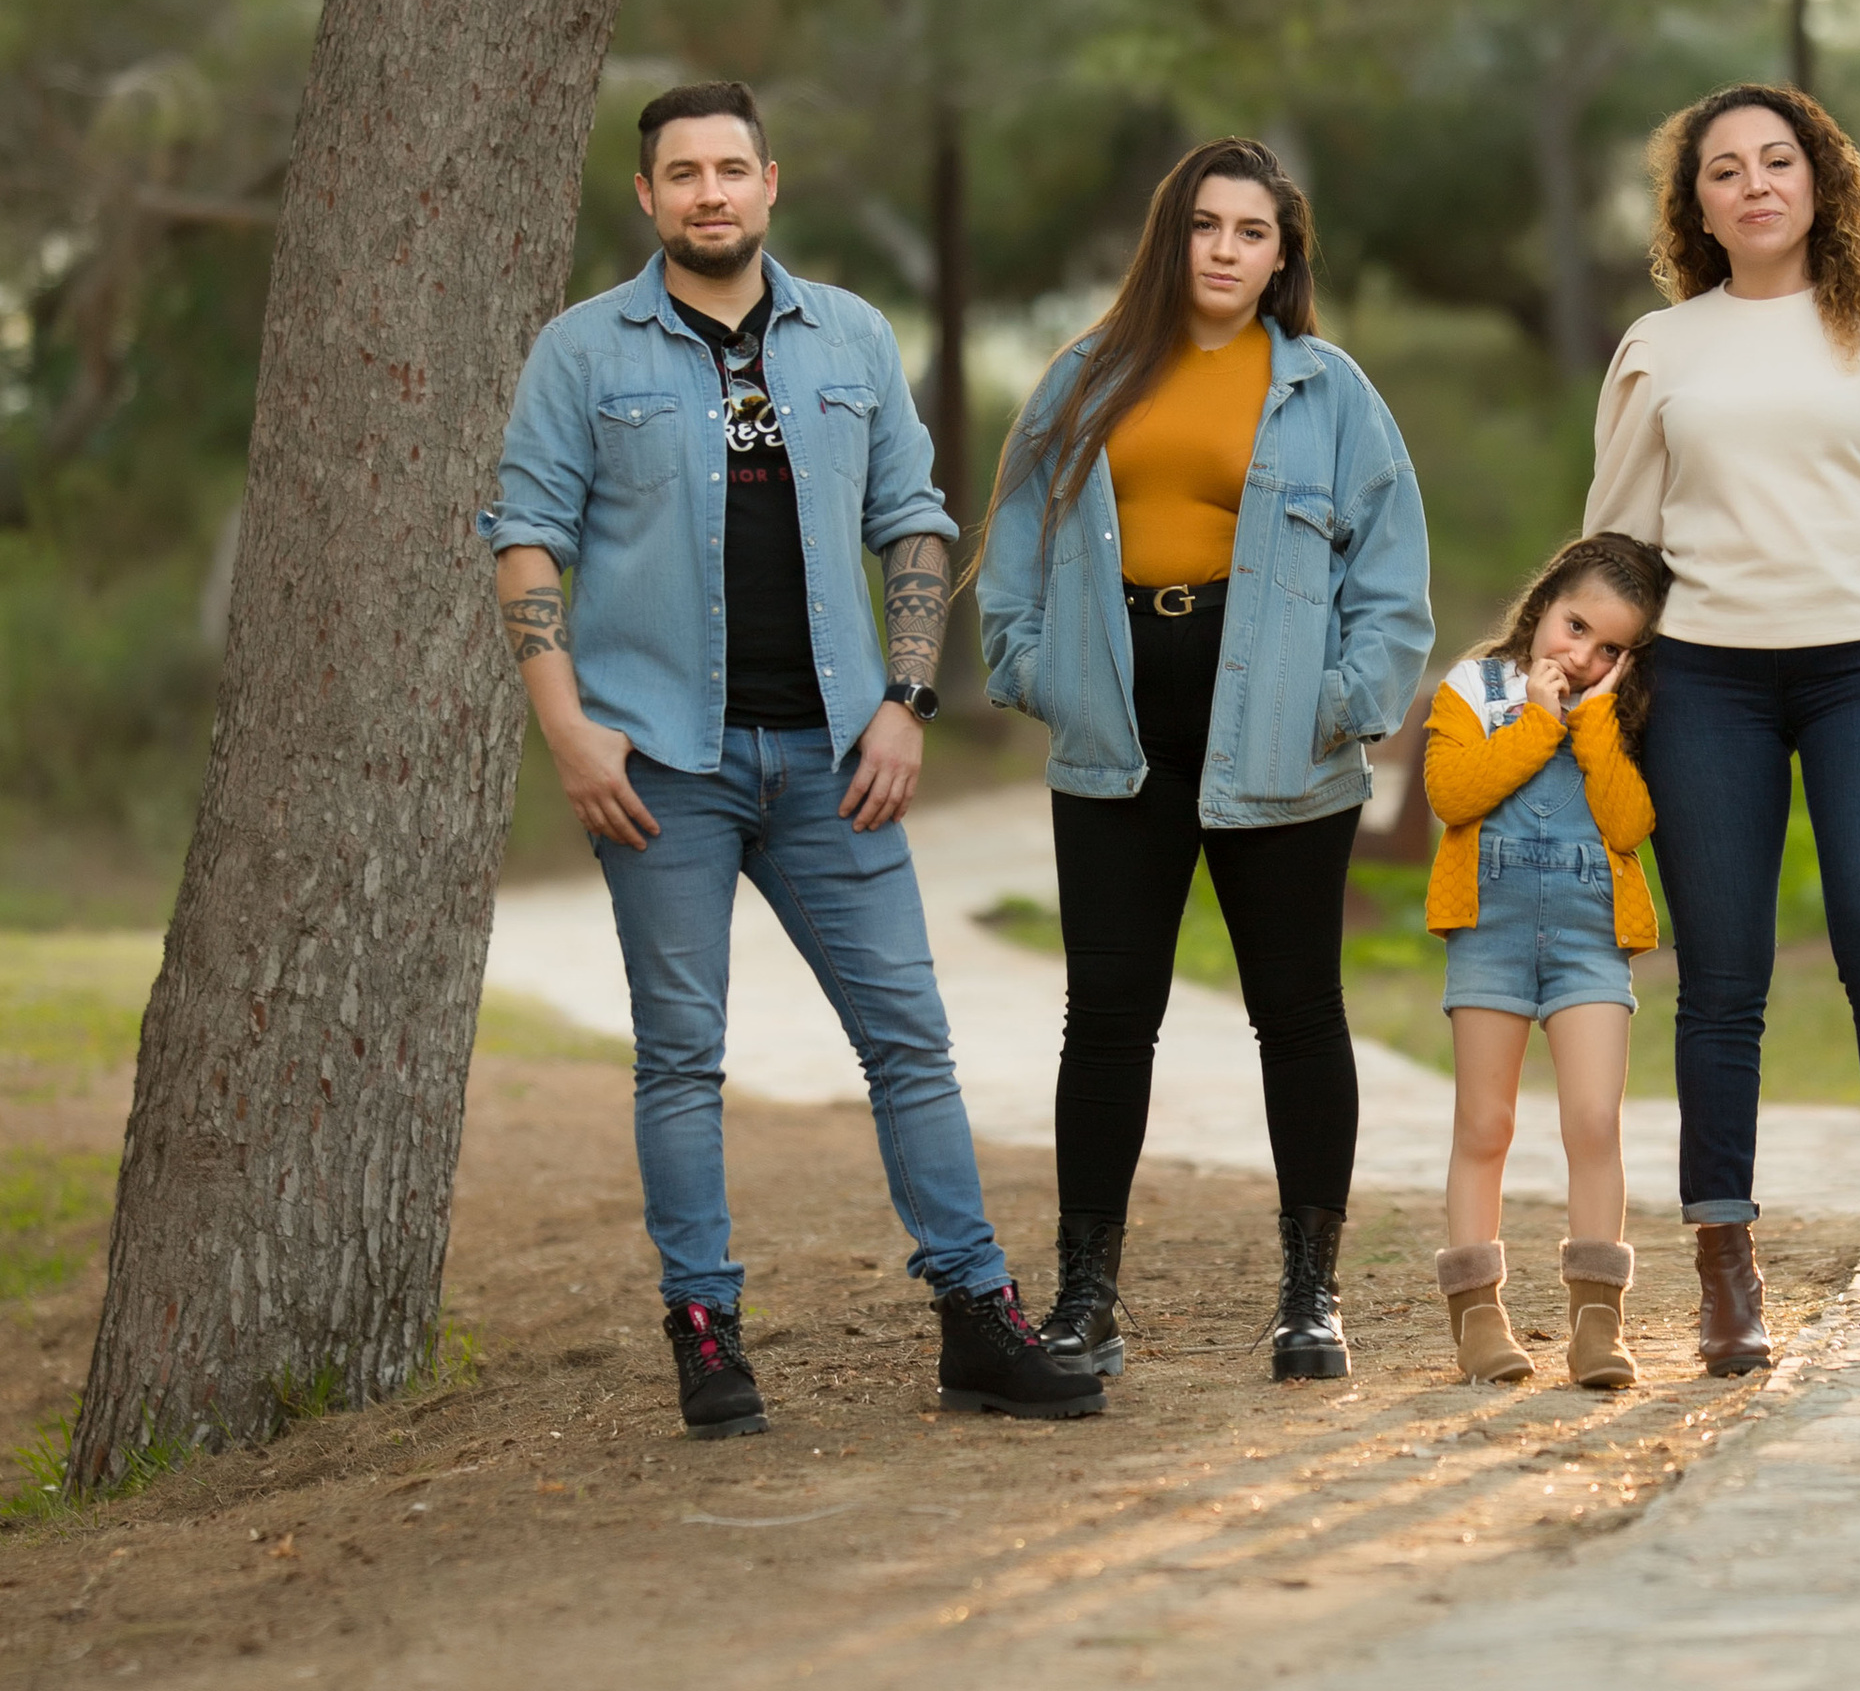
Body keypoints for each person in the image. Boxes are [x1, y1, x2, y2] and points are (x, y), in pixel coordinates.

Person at [480, 79, 1103, 1434]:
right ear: (645, 198)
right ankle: (705, 1332)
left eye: (731, 169)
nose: (709, 191)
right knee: (680, 1055)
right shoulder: (584, 353)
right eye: (682, 173)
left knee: (909, 1042)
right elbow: (526, 533)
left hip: (837, 756)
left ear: (771, 185)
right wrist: (568, 726)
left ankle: (977, 1319)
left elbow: (917, 525)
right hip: (662, 770)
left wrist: (906, 700)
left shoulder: (856, 340)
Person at [975, 137, 1433, 1382]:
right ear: (1170, 236)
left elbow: (1391, 580)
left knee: (1298, 1014)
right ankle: (1084, 1297)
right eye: (1206, 227)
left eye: (1253, 233)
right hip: (1118, 728)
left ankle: (1310, 1297)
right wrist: (1032, 671)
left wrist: (1346, 703)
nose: (1226, 251)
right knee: (1108, 1019)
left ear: (1282, 256)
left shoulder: (1329, 393)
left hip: (1280, 725)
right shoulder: (1084, 376)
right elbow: (1015, 543)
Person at [1586, 83, 1860, 1369]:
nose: (1755, 184)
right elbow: (1621, 545)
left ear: (1819, 181)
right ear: (1694, 205)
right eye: (1725, 170)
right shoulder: (1663, 349)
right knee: (1719, 985)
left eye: (1778, 161)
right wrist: (1583, 688)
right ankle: (1724, 1269)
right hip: (1705, 683)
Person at [1422, 533, 1670, 1391]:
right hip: (1489, 935)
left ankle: (1598, 1320)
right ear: (1543, 604)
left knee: (1594, 1121)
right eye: (1573, 628)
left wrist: (1595, 724)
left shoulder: (1625, 718)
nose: (1583, 655)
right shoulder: (1474, 690)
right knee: (1484, 1126)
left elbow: (1629, 825)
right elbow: (1452, 794)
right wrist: (1537, 722)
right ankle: (1478, 1317)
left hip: (1588, 941)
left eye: (1610, 647)